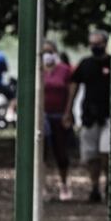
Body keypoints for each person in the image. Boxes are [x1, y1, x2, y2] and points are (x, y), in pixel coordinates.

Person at [63, 30, 111, 203]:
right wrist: (68, 111)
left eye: (99, 43)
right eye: (92, 44)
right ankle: (95, 186)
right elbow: (74, 87)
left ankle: (109, 182)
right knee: (90, 155)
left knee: (107, 151)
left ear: (106, 43)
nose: (96, 47)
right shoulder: (85, 64)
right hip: (89, 116)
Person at [41, 40, 74, 201]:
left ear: (55, 52)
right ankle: (42, 186)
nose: (47, 54)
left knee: (61, 153)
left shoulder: (65, 70)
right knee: (41, 153)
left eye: (50, 51)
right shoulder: (37, 70)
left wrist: (68, 112)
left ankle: (64, 183)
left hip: (59, 116)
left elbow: (71, 91)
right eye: (44, 51)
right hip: (42, 117)